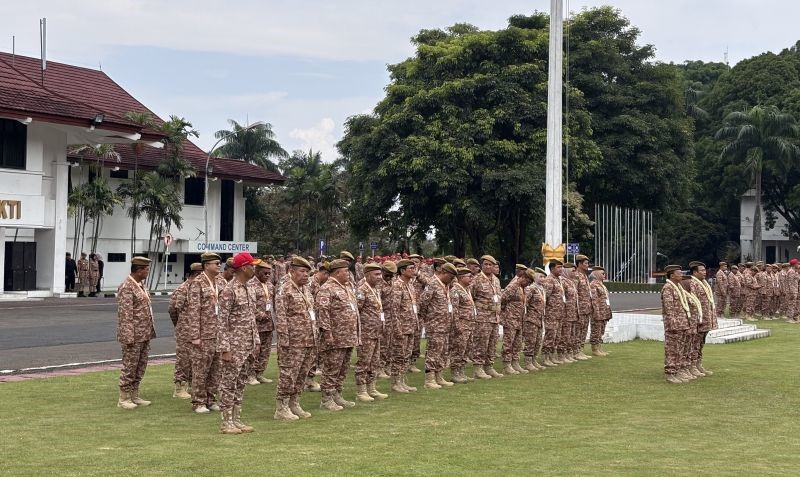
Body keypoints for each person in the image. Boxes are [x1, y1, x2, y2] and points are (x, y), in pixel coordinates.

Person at [217, 252, 261, 434]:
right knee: (229, 384)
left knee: (241, 382)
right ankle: (226, 422)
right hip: (234, 346)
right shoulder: (229, 290)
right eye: (252, 265)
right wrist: (225, 348)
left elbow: (251, 318)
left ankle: (236, 419)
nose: (254, 268)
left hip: (247, 345)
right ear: (244, 268)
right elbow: (222, 321)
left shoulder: (249, 288)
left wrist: (256, 341)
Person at [274, 256, 316, 421]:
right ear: (291, 271)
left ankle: (294, 403)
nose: (306, 275)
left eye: (307, 272)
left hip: (308, 339)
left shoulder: (305, 289)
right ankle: (282, 407)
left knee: (302, 374)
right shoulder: (285, 290)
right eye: (302, 271)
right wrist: (284, 341)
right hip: (292, 342)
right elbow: (281, 317)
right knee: (289, 374)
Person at [316, 259, 360, 410]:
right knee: (332, 368)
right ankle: (326, 399)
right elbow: (323, 312)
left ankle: (337, 394)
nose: (348, 273)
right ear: (337, 272)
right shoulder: (327, 288)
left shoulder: (346, 287)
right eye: (346, 271)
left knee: (343, 368)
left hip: (348, 336)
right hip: (335, 337)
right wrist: (327, 333)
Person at [186, 252, 226, 414]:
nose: (219, 265)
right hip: (203, 334)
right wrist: (195, 336)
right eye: (216, 263)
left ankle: (211, 399)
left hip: (218, 333)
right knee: (201, 370)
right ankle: (199, 402)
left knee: (216, 370)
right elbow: (193, 311)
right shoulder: (197, 283)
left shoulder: (220, 281)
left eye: (219, 263)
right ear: (206, 265)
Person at [115, 256, 156, 409]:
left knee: (140, 366)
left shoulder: (140, 285)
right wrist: (128, 338)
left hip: (144, 334)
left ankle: (134, 394)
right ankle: (124, 398)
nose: (147, 272)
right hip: (133, 336)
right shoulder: (127, 287)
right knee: (130, 367)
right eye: (146, 270)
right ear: (139, 270)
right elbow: (125, 315)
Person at [418, 262, 458, 389]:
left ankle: (439, 376)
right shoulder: (432, 284)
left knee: (442, 351)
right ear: (444, 272)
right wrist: (428, 319)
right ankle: (429, 379)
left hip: (445, 324)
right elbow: (423, 303)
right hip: (435, 325)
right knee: (433, 352)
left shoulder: (446, 286)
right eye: (451, 277)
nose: (452, 280)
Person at [354, 262, 389, 401]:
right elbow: (357, 312)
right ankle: (361, 391)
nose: (380, 277)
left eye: (380, 274)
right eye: (376, 274)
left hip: (376, 332)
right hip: (366, 333)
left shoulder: (376, 289)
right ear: (368, 275)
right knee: (364, 362)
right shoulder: (362, 290)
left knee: (374, 362)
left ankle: (371, 388)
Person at [168, 262, 202, 399]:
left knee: (196, 360)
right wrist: (180, 325)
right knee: (184, 360)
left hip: (197, 330)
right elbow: (173, 309)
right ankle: (179, 388)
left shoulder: (198, 288)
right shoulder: (183, 289)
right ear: (197, 274)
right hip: (185, 330)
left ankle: (191, 386)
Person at [388, 259, 419, 393]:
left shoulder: (410, 285)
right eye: (410, 268)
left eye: (414, 268)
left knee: (406, 355)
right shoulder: (397, 286)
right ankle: (396, 382)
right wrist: (397, 328)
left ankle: (402, 381)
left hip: (410, 326)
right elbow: (394, 309)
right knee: (399, 355)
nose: (413, 270)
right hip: (401, 327)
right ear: (402, 271)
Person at [470, 255, 504, 379]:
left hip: (494, 317)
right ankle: (478, 368)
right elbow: (470, 297)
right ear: (482, 266)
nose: (488, 267)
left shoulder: (496, 280)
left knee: (492, 343)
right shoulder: (476, 279)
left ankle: (489, 366)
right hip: (482, 317)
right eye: (486, 264)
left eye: (490, 265)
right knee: (481, 343)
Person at [661, 265, 692, 384]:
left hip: (682, 323)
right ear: (672, 275)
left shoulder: (678, 287)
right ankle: (670, 373)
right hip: (674, 325)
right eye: (679, 273)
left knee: (679, 349)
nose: (681, 275)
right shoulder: (668, 288)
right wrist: (673, 324)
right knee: (672, 349)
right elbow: (669, 309)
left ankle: (677, 371)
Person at [247, 261, 275, 385]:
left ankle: (260, 373)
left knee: (265, 351)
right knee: (254, 351)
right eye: (265, 273)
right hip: (256, 325)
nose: (267, 275)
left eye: (269, 273)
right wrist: (261, 315)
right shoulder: (250, 285)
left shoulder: (270, 286)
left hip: (268, 324)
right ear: (257, 272)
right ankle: (250, 375)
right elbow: (250, 306)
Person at [687, 261, 717, 376]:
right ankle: (692, 366)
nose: (705, 272)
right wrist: (696, 320)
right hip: (698, 320)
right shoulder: (693, 284)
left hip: (706, 319)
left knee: (701, 344)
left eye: (705, 270)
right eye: (702, 270)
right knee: (694, 344)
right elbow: (693, 302)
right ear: (695, 272)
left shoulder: (704, 283)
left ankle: (698, 364)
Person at [500, 266, 531, 375]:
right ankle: (507, 365)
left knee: (517, 343)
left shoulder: (522, 288)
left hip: (519, 319)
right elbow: (503, 300)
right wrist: (506, 313)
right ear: (523, 277)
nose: (528, 284)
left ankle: (515, 362)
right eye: (528, 281)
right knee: (508, 343)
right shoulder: (513, 286)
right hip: (511, 319)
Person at [449, 267, 476, 383]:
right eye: (469, 276)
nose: (471, 279)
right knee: (458, 349)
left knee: (466, 349)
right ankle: (455, 373)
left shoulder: (466, 289)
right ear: (461, 277)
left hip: (469, 325)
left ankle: (461, 371)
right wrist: (457, 326)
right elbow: (454, 310)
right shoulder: (456, 290)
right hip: (461, 325)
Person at [541, 260, 566, 367]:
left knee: (557, 336)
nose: (561, 269)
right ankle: (545, 357)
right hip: (551, 314)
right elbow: (545, 297)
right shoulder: (549, 280)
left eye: (561, 267)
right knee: (550, 335)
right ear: (552, 269)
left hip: (559, 313)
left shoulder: (558, 280)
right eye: (558, 267)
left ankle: (552, 356)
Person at [522, 268, 547, 370]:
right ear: (535, 277)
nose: (542, 279)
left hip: (539, 319)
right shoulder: (531, 288)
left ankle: (534, 360)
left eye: (544, 277)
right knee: (531, 341)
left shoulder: (542, 289)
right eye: (540, 276)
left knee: (538, 341)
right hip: (531, 319)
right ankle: (528, 362)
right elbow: (525, 303)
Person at [573, 255, 593, 360]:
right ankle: (576, 351)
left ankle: (580, 350)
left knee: (584, 330)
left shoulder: (584, 276)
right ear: (579, 264)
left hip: (586, 308)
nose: (587, 265)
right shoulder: (576, 276)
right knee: (578, 330)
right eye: (585, 263)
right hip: (580, 308)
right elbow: (575, 292)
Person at [589, 266, 612, 356]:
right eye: (602, 273)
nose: (604, 275)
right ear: (596, 274)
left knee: (601, 330)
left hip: (604, 312)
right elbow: (594, 300)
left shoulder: (601, 284)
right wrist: (596, 312)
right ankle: (595, 349)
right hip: (598, 312)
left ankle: (599, 348)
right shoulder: (593, 285)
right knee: (596, 330)